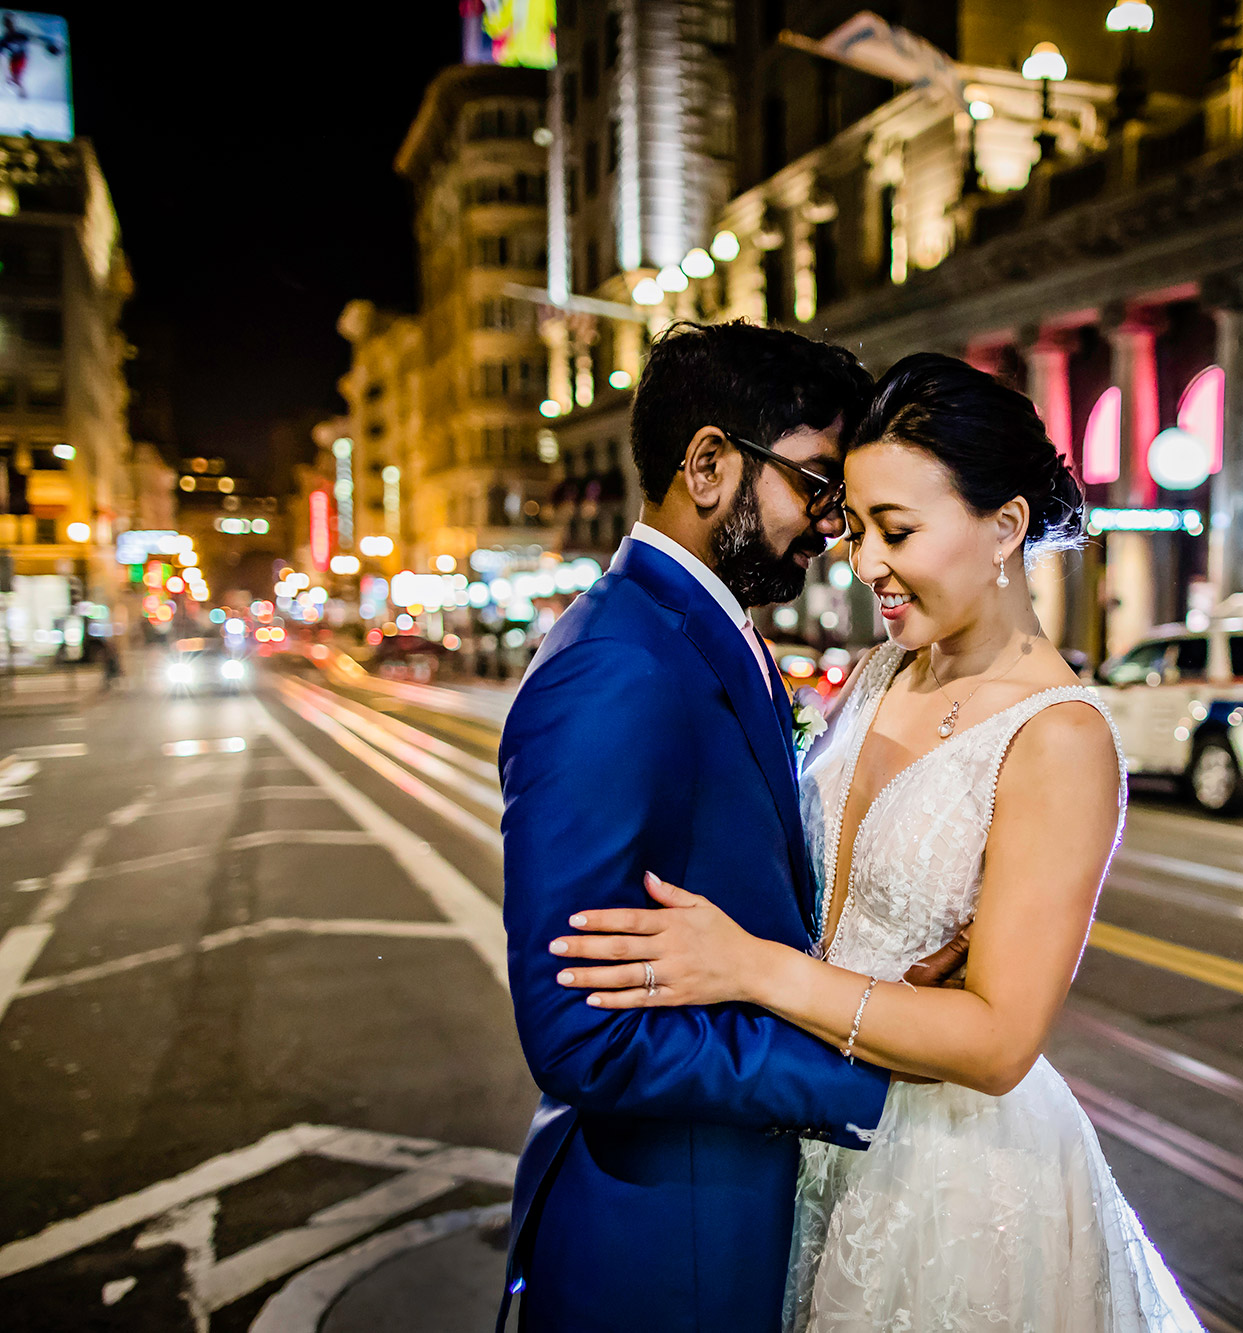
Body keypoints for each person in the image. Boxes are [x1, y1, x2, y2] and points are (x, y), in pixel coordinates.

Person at [553, 354, 1206, 1331]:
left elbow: (994, 1046)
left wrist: (752, 969)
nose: (863, 563)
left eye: (895, 531)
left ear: (1005, 526)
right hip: (805, 1133)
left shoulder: (1060, 736)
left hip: (949, 1180)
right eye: (854, 528)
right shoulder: (875, 672)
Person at [496, 323, 967, 1331]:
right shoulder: (616, 663)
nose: (831, 528)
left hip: (733, 1210)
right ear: (710, 464)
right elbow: (578, 1034)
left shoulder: (706, 633)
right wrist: (860, 1066)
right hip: (671, 1238)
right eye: (814, 486)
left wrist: (872, 994)